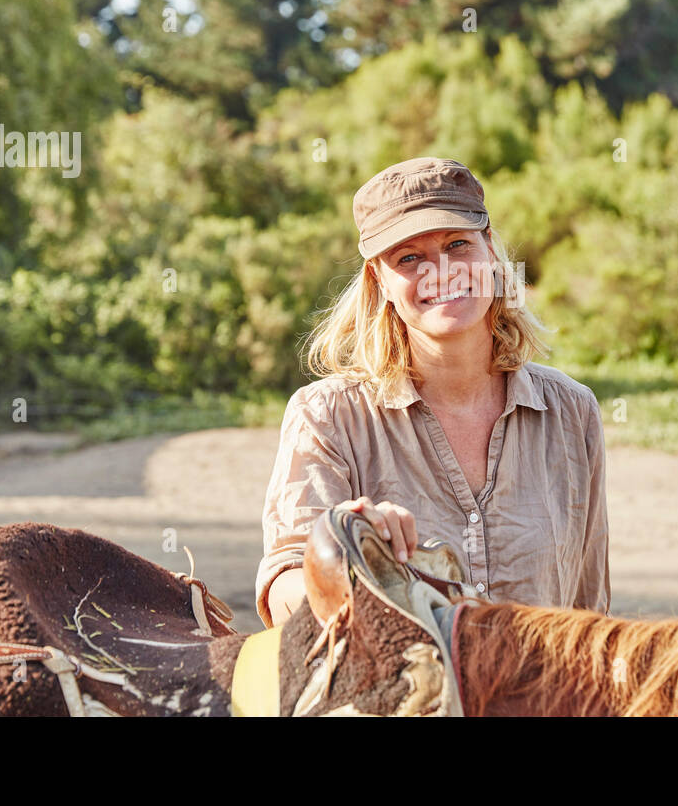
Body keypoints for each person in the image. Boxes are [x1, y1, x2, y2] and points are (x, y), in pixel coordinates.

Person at [255, 156, 610, 628]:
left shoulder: (571, 411)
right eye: (409, 257)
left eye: (457, 244)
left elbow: (590, 612)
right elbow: (283, 595)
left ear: (490, 253)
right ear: (379, 280)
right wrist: (341, 548)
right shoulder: (326, 416)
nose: (439, 271)